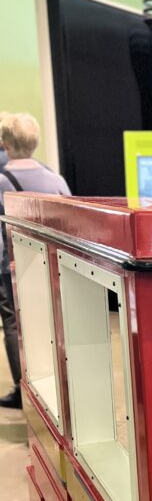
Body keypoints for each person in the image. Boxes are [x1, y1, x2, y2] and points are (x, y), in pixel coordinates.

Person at [0, 113, 70, 409]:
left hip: (11, 266)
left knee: (15, 323)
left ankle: (23, 391)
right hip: (50, 265)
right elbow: (70, 220)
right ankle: (55, 385)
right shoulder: (54, 178)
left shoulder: (1, 180)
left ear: (5, 143)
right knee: (51, 321)